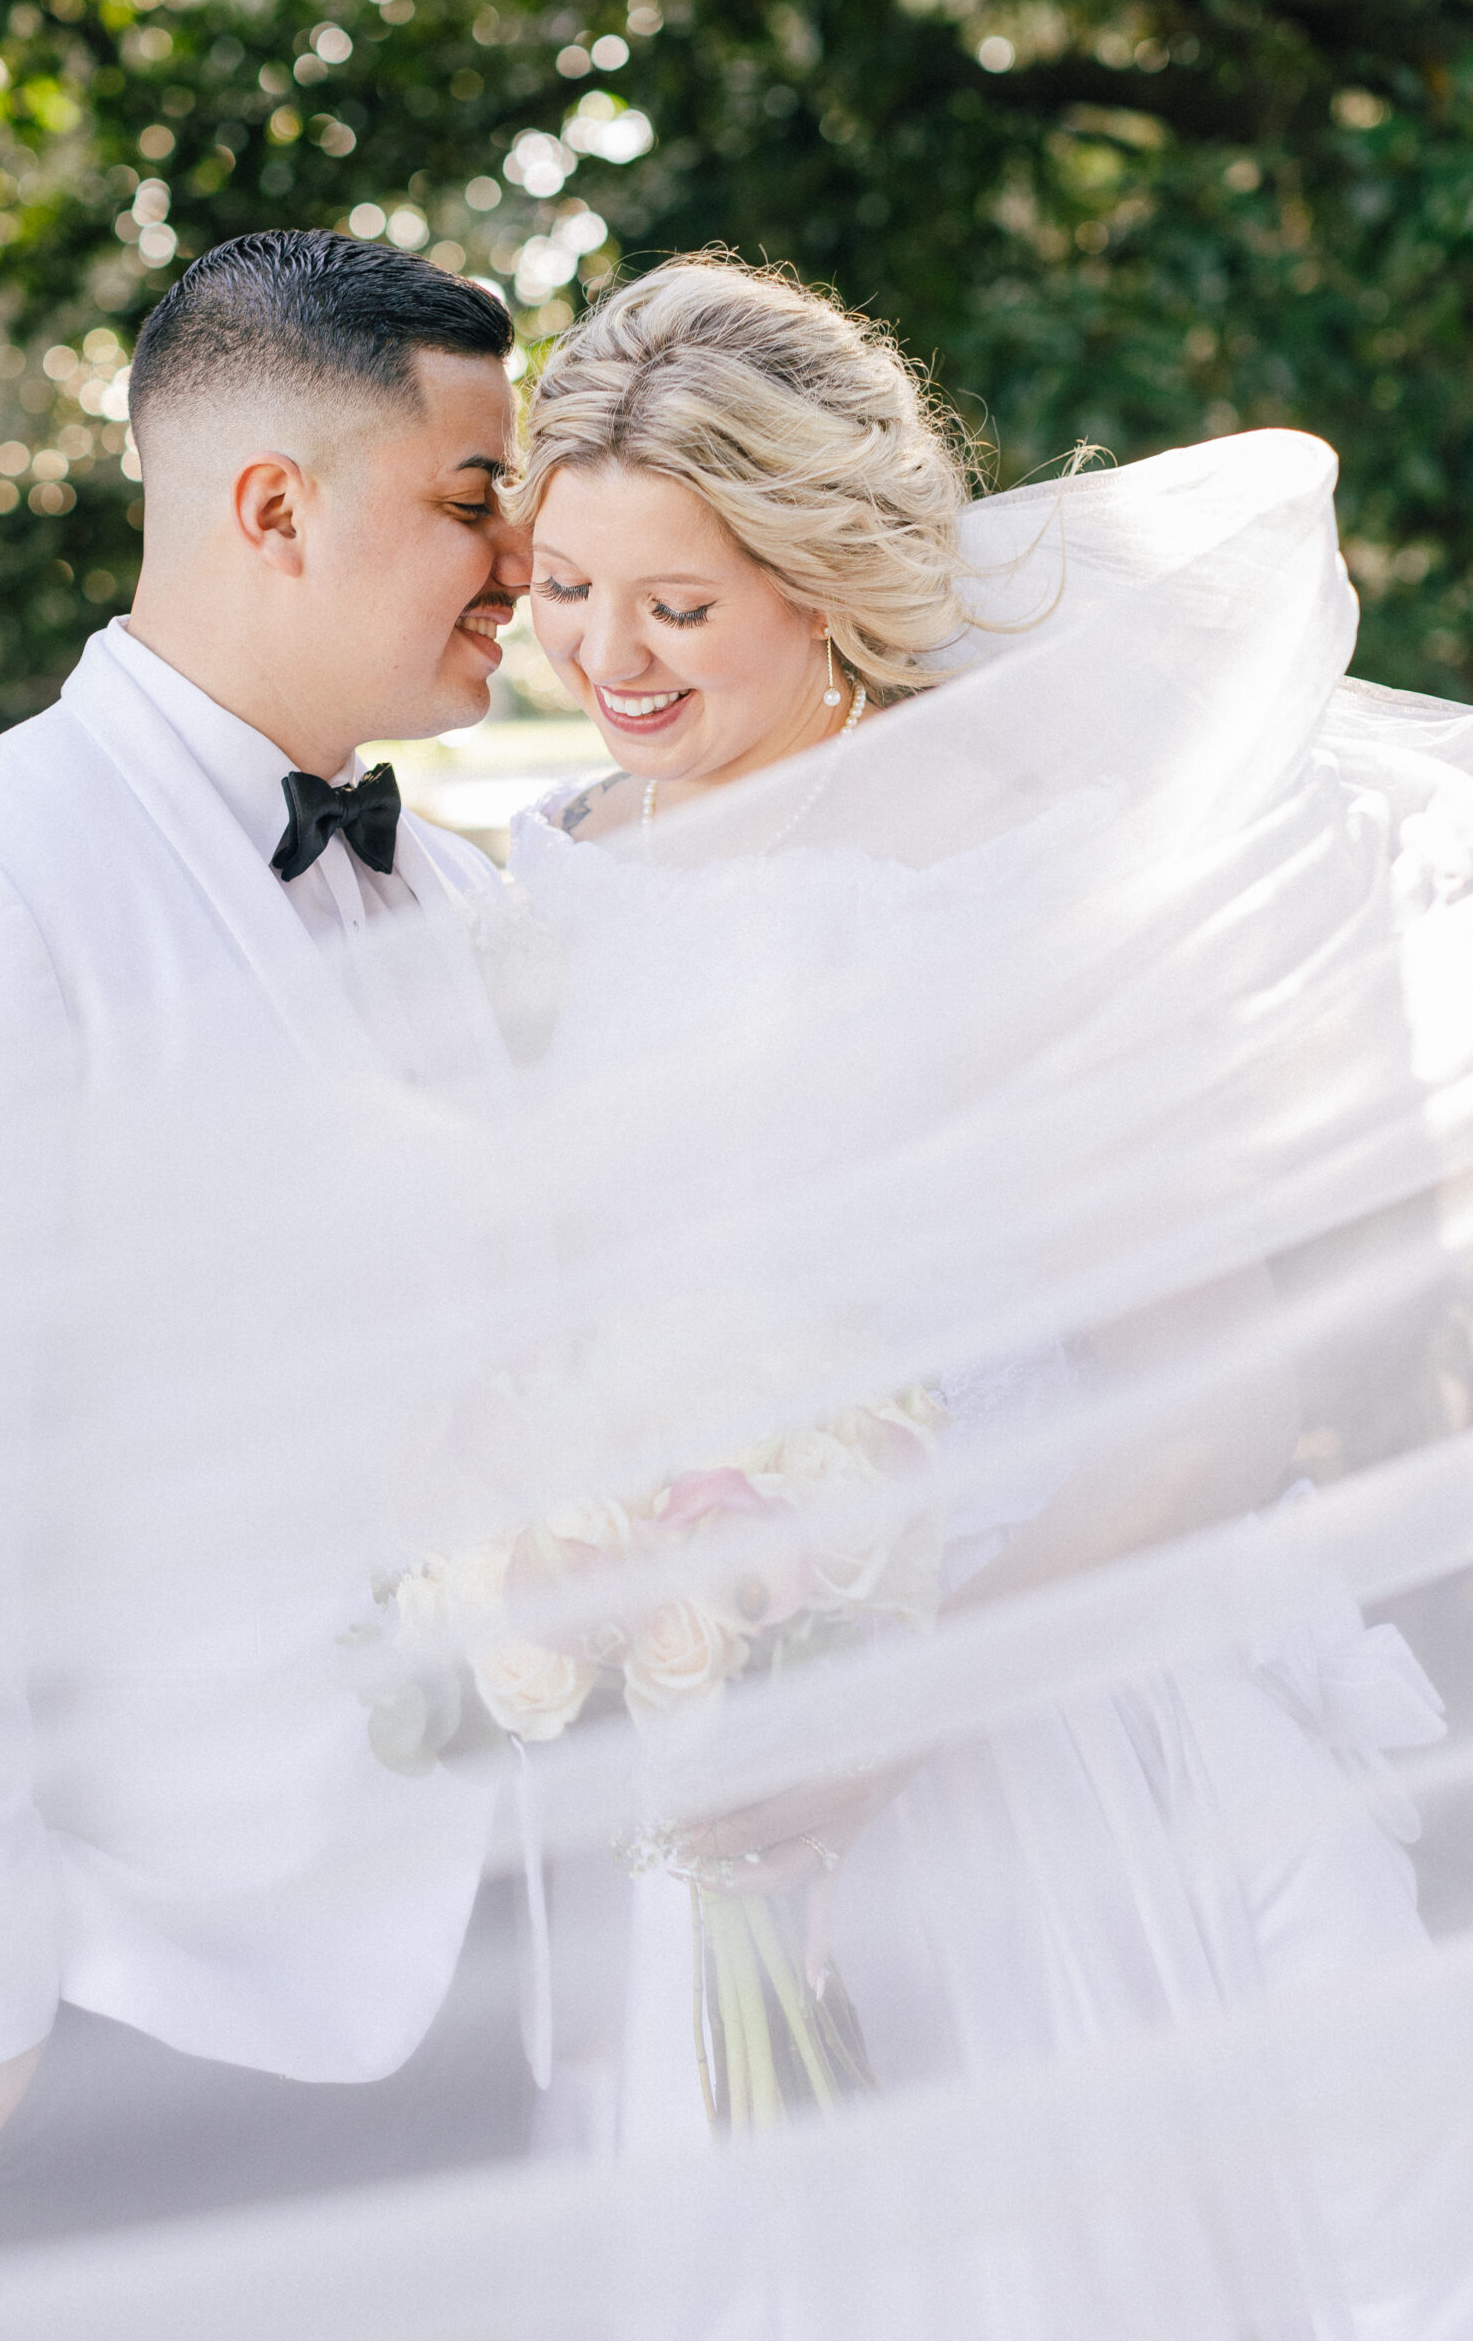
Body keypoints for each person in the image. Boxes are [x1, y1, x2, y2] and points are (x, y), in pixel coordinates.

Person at [492, 255, 1473, 2334]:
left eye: (678, 604)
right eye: (569, 587)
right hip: (725, 1787)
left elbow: (1207, 1399)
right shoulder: (555, 865)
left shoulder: (1014, 875)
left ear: (827, 572)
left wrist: (882, 1701)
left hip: (1040, 1741)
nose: (607, 658)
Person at [0, 229, 536, 2257]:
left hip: (490, 1983)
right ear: (270, 504)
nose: (522, 558)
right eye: (473, 496)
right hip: (123, 2028)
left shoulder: (464, 904)